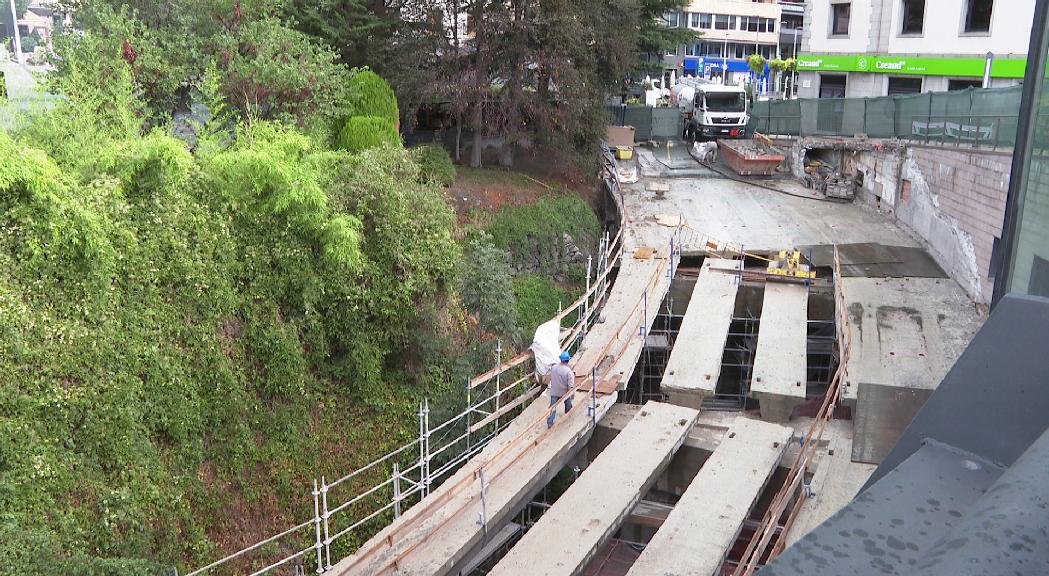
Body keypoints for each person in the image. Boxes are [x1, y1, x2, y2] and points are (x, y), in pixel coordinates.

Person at [547, 351, 575, 428]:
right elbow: (570, 385)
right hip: (564, 393)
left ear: (561, 359)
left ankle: (550, 422)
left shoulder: (554, 368)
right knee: (568, 403)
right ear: (568, 360)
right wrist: (571, 394)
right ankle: (567, 416)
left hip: (554, 391)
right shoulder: (569, 372)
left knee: (552, 407)